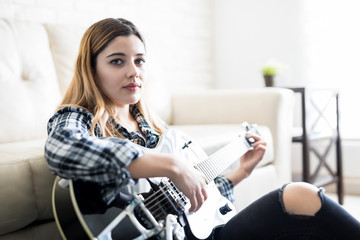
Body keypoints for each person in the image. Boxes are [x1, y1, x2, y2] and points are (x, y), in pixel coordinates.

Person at [45, 18, 360, 240]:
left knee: (301, 198)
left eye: (140, 61)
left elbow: (191, 202)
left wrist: (241, 172)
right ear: (92, 68)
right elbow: (62, 147)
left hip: (208, 233)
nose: (133, 72)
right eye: (117, 61)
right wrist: (172, 165)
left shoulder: (156, 131)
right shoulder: (80, 117)